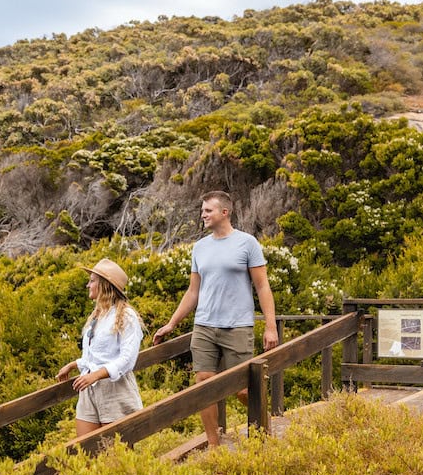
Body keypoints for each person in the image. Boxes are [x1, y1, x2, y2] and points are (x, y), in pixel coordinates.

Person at [152, 191, 278, 447]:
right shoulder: (200, 247)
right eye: (203, 210)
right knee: (204, 385)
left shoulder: (247, 243)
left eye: (208, 210)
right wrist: (172, 323)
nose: (203, 215)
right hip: (205, 326)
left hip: (238, 326)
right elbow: (193, 291)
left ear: (224, 212)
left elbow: (263, 286)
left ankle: (262, 433)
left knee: (244, 388)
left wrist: (271, 326)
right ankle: (214, 444)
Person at [57, 258, 144, 436]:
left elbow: (127, 359)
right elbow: (98, 356)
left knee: (117, 455)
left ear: (104, 285)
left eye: (92, 281)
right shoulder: (97, 316)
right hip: (88, 388)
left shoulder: (127, 316)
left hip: (114, 389)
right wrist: (74, 364)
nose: (88, 285)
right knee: (87, 452)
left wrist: (96, 375)